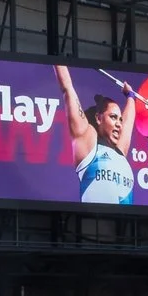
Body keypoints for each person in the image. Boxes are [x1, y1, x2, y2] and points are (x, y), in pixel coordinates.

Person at [56, 65, 134, 205]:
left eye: (120, 119)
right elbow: (67, 88)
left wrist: (131, 96)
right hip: (93, 221)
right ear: (98, 118)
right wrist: (57, 58)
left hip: (123, 223)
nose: (119, 124)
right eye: (113, 117)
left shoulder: (120, 152)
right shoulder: (88, 144)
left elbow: (128, 123)